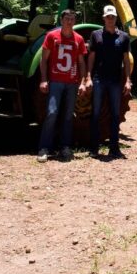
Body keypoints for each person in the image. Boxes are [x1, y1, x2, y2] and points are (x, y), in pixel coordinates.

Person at [37, 9, 88, 163]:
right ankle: (44, 148)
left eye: (72, 19)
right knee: (52, 112)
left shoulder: (78, 39)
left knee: (68, 116)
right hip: (56, 82)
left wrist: (83, 82)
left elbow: (81, 63)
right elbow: (44, 59)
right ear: (61, 20)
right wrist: (44, 79)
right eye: (67, 18)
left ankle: (65, 147)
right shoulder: (52, 36)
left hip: (72, 83)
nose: (69, 21)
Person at [86, 5, 132, 159]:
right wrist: (87, 77)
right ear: (104, 18)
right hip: (98, 78)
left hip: (115, 80)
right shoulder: (95, 35)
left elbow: (126, 60)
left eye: (112, 16)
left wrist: (128, 80)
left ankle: (114, 148)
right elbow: (91, 57)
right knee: (96, 113)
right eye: (108, 16)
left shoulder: (124, 37)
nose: (110, 19)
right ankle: (94, 148)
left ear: (116, 18)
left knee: (115, 114)